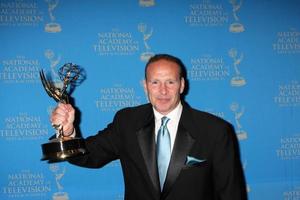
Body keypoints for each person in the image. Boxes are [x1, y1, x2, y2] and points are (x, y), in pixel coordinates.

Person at [51, 54, 247, 200]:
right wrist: (68, 132)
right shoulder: (127, 122)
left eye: (170, 82)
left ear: (182, 85)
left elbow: (230, 193)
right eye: (155, 82)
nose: (163, 91)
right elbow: (89, 156)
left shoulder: (215, 130)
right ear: (145, 85)